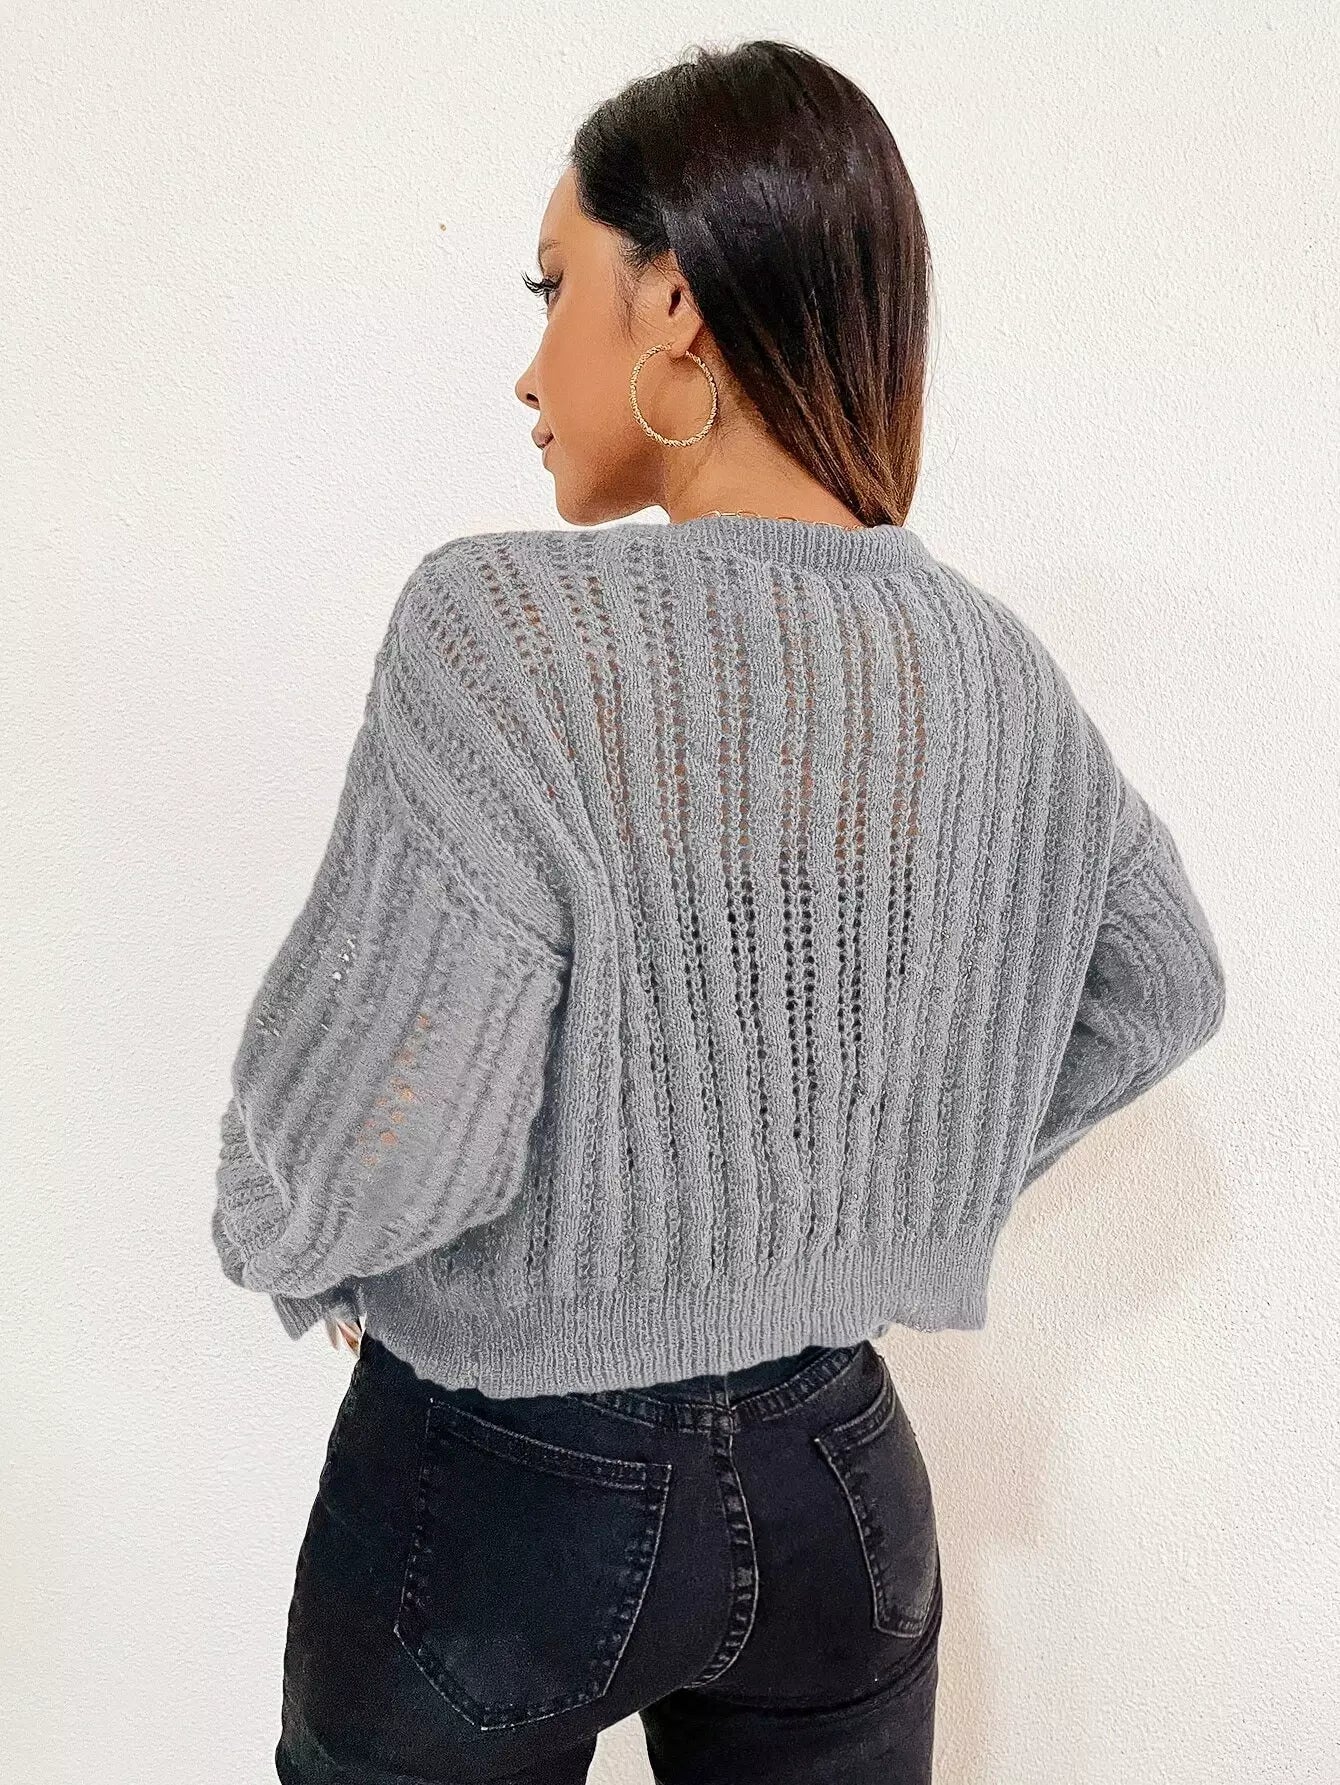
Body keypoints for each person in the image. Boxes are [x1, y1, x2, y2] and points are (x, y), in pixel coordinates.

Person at [212, 38, 1227, 1785]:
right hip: (837, 1477)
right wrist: (893, 1185)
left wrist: (280, 1240)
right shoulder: (991, 667)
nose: (531, 363)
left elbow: (382, 1123)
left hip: (501, 1488)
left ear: (674, 299)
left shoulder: (502, 630)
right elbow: (1165, 979)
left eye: (554, 285)